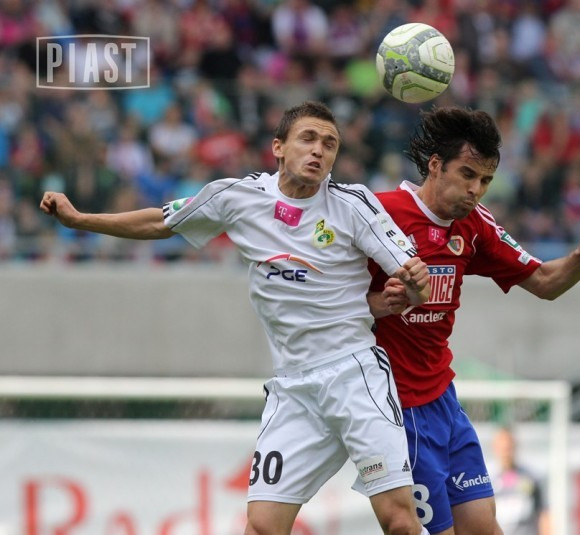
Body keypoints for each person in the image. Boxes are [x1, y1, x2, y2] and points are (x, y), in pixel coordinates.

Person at [40, 101, 433, 535]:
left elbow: (416, 283)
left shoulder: (353, 204)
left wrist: (415, 286)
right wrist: (80, 220)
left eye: (329, 144)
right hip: (294, 388)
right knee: (262, 527)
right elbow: (160, 223)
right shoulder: (237, 197)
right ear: (278, 147)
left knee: (399, 520)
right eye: (308, 138)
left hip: (355, 377)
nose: (318, 150)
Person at [367, 106, 580, 535]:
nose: (476, 190)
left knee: (484, 527)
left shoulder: (474, 225)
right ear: (436, 165)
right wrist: (379, 301)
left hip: (442, 398)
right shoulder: (377, 212)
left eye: (485, 180)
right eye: (467, 174)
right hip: (394, 404)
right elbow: (327, 294)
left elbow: (545, 282)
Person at [489, 428, 550, 535]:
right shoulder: (488, 481)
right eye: (502, 448)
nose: (505, 453)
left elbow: (543, 514)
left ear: (515, 447)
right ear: (495, 448)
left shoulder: (531, 477)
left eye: (508, 448)